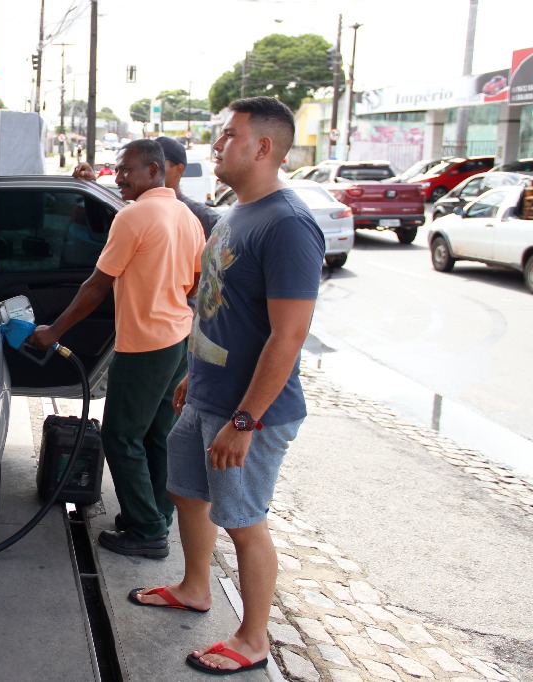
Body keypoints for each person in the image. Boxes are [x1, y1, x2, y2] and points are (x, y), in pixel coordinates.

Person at [128, 97, 324, 675]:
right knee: (188, 492)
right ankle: (194, 587)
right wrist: (194, 373)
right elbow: (223, 310)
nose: (215, 145)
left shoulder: (288, 224)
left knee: (242, 520)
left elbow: (289, 335)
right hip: (207, 394)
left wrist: (245, 420)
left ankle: (253, 639)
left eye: (228, 135)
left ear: (262, 147)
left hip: (249, 412)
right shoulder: (239, 211)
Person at [30, 139, 205, 558]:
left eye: (127, 169)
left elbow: (96, 286)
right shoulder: (186, 215)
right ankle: (156, 515)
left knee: (121, 436)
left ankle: (146, 531)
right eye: (118, 168)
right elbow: (197, 281)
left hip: (144, 344)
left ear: (154, 170)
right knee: (157, 434)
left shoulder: (133, 216)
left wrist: (53, 331)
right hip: (177, 338)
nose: (120, 176)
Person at [155, 136, 220, 239]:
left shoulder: (200, 215)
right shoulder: (137, 211)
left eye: (156, 163)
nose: (149, 169)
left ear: (178, 170)